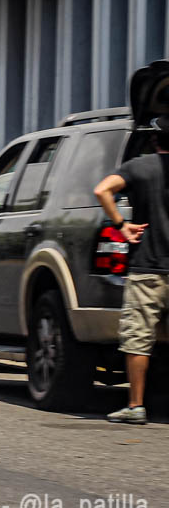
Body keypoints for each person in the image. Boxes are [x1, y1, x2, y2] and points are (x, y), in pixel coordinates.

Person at [94, 115, 169, 424]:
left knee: (138, 339)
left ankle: (136, 406)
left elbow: (102, 190)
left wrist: (122, 225)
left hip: (147, 268)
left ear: (153, 139)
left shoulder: (139, 167)